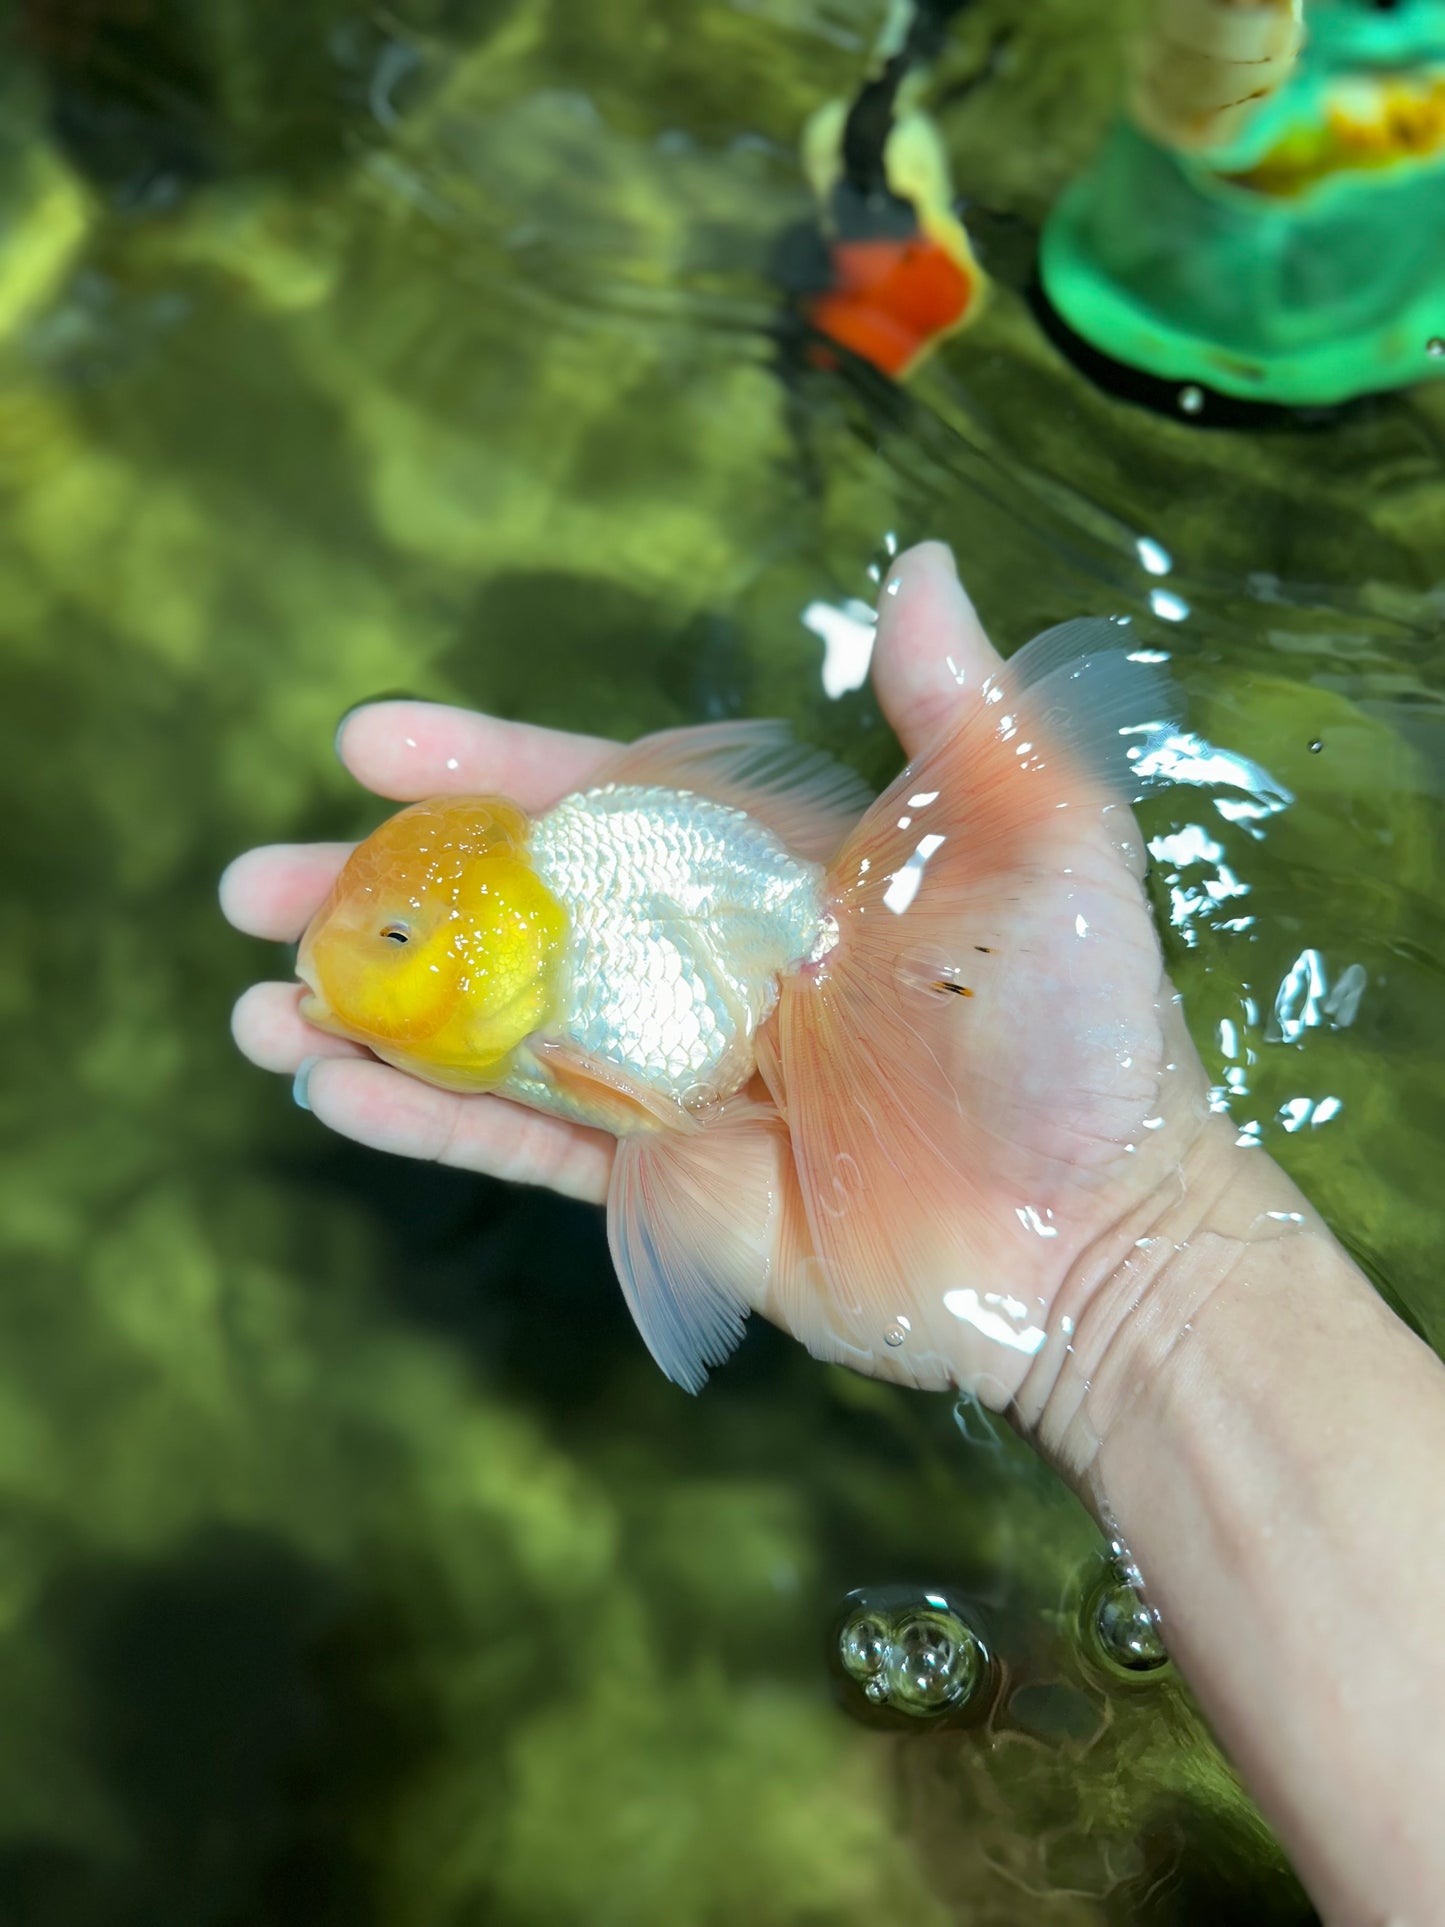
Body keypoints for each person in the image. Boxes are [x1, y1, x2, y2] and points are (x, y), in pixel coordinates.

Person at [222, 543, 1445, 1925]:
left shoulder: (582, 951)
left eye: (389, 936)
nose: (346, 951)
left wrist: (1108, 1254)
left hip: (762, 944)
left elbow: (652, 1112)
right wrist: (1123, 1271)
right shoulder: (536, 933)